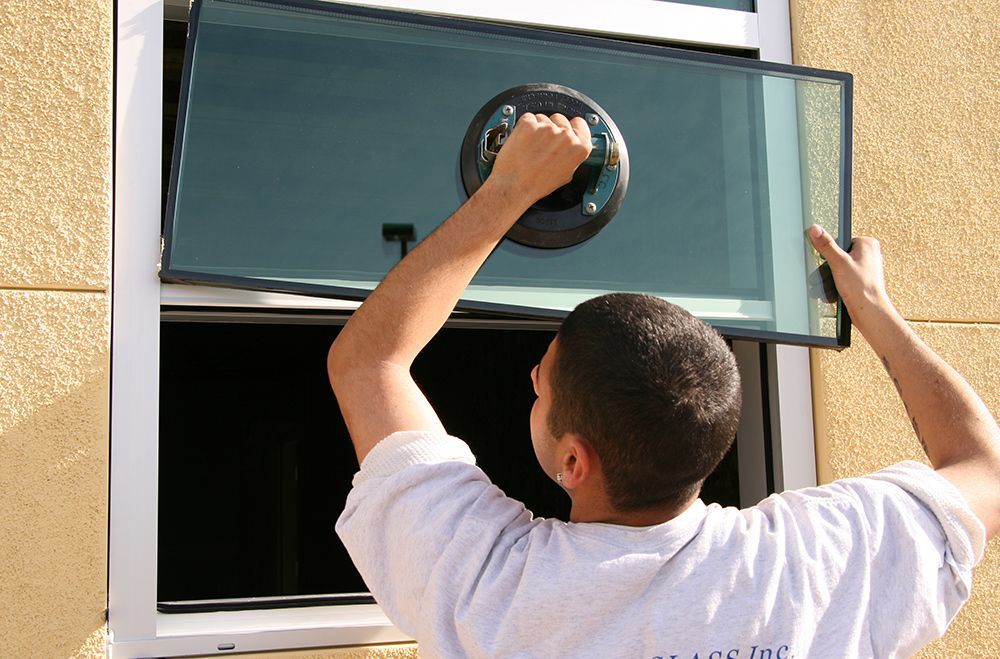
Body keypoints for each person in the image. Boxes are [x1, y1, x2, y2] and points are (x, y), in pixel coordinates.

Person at [328, 113, 999, 658]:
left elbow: (369, 362)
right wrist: (875, 309)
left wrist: (508, 192)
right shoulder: (809, 568)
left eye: (543, 385)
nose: (531, 376)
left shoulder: (491, 589)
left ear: (573, 461)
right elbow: (985, 470)